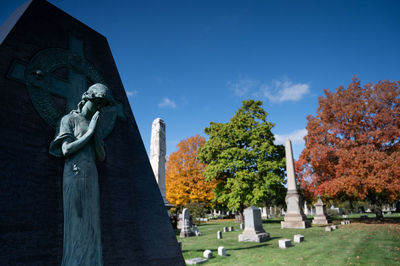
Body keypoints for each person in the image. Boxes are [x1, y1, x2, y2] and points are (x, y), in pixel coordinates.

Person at [50, 83, 114, 266]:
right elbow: (66, 149)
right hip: (74, 174)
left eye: (103, 105)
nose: (99, 108)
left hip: (91, 175)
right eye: (98, 102)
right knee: (77, 223)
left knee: (92, 224)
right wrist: (90, 132)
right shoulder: (68, 120)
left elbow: (101, 156)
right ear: (88, 98)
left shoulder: (96, 125)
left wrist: (94, 132)